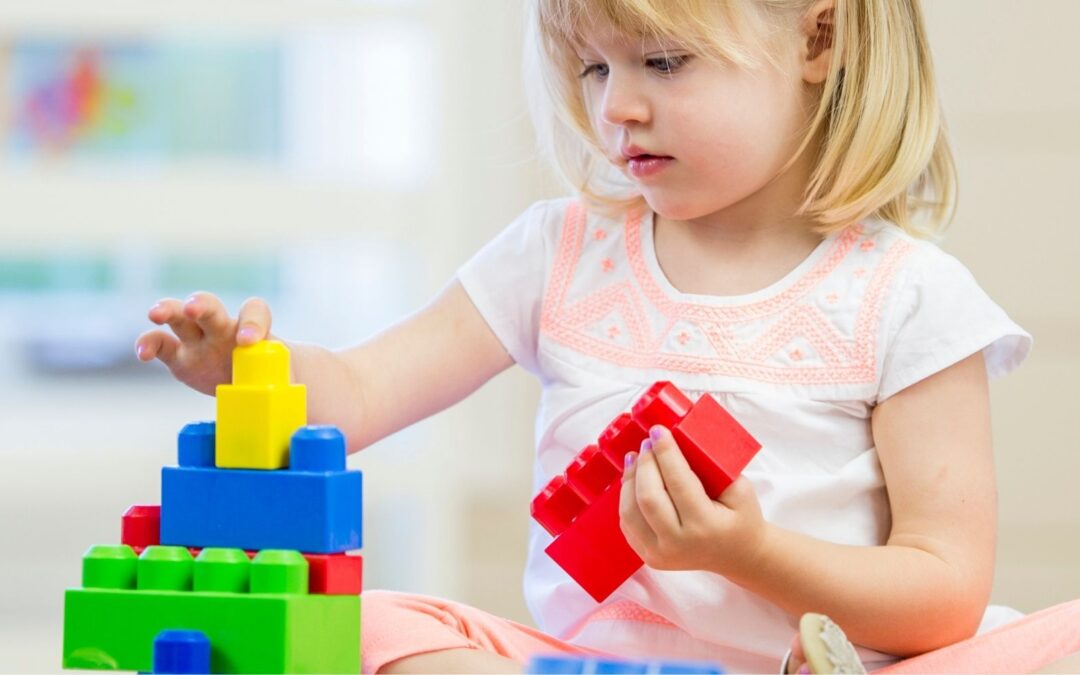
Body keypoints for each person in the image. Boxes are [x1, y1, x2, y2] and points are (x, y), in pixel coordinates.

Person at [136, 0, 1036, 672]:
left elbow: (944, 594)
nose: (618, 109)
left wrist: (749, 554)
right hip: (580, 661)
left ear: (817, 37)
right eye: (594, 69)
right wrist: (250, 372)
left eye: (663, 60)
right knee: (363, 623)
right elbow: (365, 391)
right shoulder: (559, 251)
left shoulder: (908, 296)